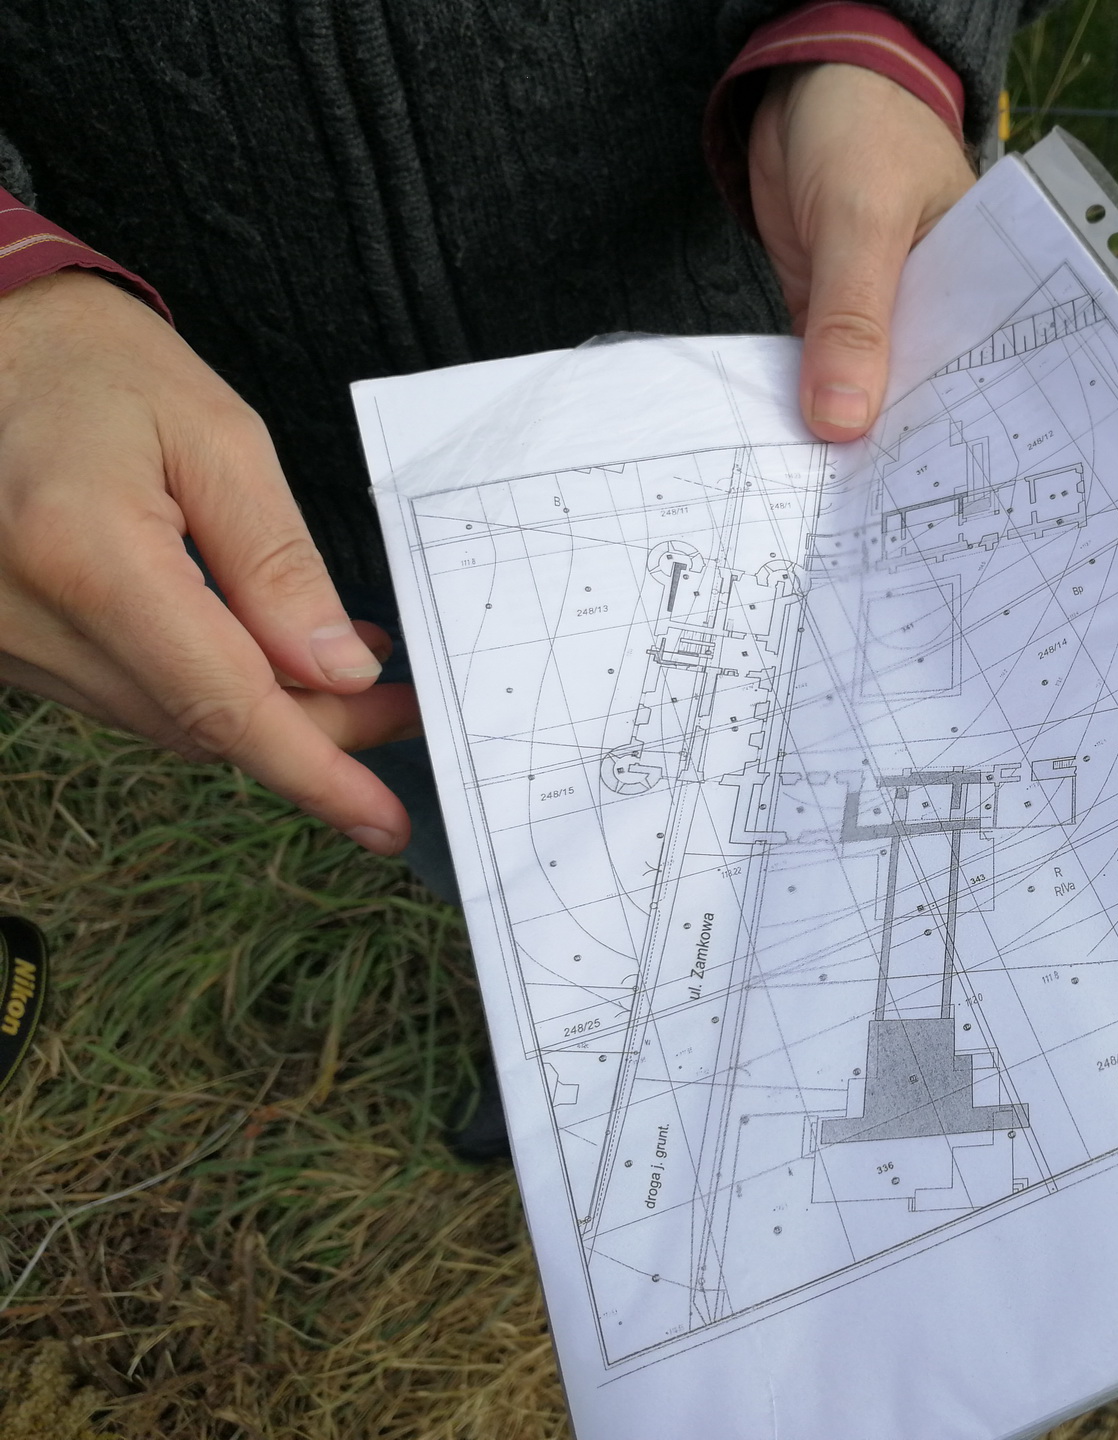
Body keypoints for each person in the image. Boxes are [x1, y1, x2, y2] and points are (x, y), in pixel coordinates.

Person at [0, 2, 1044, 898]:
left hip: (783, 423)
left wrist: (879, 32)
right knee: (548, 890)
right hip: (290, 508)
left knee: (899, 845)